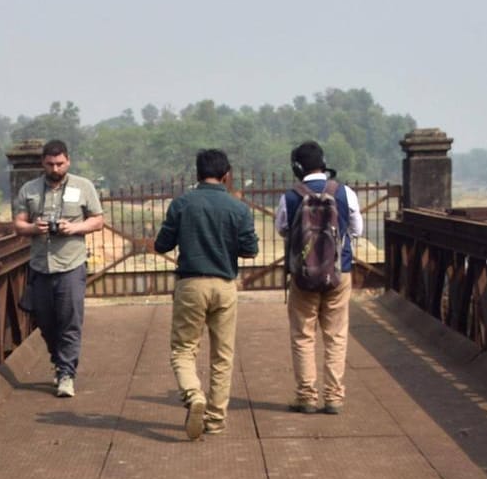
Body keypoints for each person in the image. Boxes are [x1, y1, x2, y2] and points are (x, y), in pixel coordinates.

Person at [153, 149, 259, 439]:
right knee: (222, 355)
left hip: (191, 283)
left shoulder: (182, 204)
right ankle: (215, 419)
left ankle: (193, 394)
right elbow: (251, 250)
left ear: (197, 174)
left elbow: (161, 245)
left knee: (183, 350)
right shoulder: (238, 208)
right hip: (225, 285)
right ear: (226, 176)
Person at [10, 139, 104, 397]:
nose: (55, 168)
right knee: (45, 320)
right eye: (50, 164)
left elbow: (97, 221)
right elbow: (18, 224)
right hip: (41, 265)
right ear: (43, 163)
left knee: (70, 320)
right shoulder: (29, 189)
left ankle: (66, 374)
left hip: (71, 264)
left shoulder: (83, 186)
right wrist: (32, 228)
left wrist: (73, 228)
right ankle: (59, 358)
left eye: (60, 163)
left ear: (68, 161)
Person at [276, 140, 362, 414]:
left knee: (303, 335)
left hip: (303, 276)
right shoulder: (344, 192)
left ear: (297, 167)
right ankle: (334, 397)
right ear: (323, 164)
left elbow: (282, 229)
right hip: (339, 273)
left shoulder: (290, 196)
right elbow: (357, 229)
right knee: (336, 335)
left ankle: (307, 397)